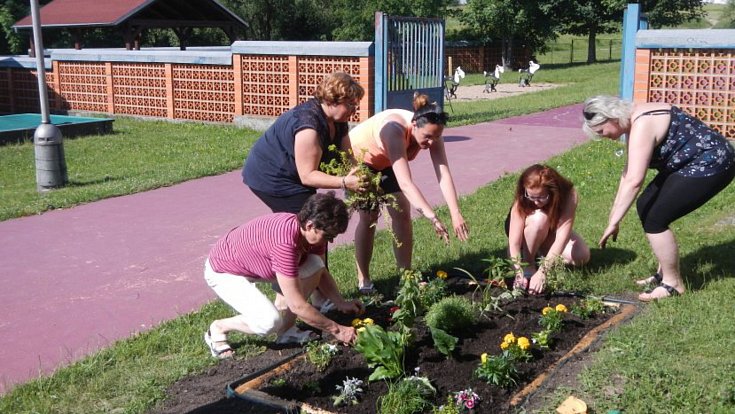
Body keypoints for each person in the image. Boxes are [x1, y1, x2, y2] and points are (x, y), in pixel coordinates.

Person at [583, 95, 735, 301]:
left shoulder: (642, 124)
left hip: (712, 163)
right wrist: (613, 218)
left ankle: (673, 284)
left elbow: (635, 180)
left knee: (656, 219)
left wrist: (615, 221)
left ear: (611, 118)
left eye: (601, 131)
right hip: (690, 162)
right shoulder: (635, 117)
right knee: (645, 204)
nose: (603, 137)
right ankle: (664, 272)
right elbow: (628, 173)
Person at [203, 192, 364, 359]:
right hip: (224, 270)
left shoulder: (309, 236)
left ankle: (286, 331)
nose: (330, 241)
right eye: (328, 236)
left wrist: (340, 302)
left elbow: (320, 272)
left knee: (315, 264)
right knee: (269, 321)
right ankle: (218, 328)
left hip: (254, 262)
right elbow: (298, 306)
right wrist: (338, 330)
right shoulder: (284, 244)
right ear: (310, 225)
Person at [344, 93, 470, 293]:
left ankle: (406, 277)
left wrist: (455, 213)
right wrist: (433, 217)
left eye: (436, 137)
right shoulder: (394, 130)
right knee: (369, 217)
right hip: (359, 161)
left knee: (402, 212)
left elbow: (443, 172)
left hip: (386, 162)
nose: (431, 143)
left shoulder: (433, 131)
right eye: (427, 137)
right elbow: (405, 182)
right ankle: (364, 281)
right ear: (414, 124)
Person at [242, 72, 365, 213]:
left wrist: (359, 174)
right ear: (333, 100)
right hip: (272, 176)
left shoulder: (339, 121)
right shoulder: (309, 126)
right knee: (315, 222)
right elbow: (308, 176)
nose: (354, 110)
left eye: (356, 105)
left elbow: (347, 156)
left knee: (316, 221)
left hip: (295, 176)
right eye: (350, 104)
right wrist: (344, 182)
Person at [506, 164, 590, 295]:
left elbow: (563, 237)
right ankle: (529, 263)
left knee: (581, 256)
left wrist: (543, 272)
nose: (536, 202)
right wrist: (518, 271)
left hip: (551, 229)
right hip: (527, 232)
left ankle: (543, 254)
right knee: (540, 218)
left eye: (541, 197)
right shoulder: (522, 199)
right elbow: (514, 243)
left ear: (553, 191)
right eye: (531, 196)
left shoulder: (569, 195)